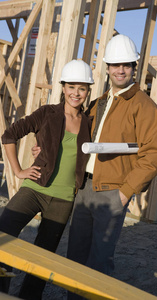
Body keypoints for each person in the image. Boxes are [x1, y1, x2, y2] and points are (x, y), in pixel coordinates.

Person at [66, 34, 157, 299]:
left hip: (112, 191)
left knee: (100, 260)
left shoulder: (144, 107)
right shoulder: (98, 102)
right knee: (75, 255)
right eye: (115, 64)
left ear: (134, 67)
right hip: (85, 187)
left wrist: (125, 192)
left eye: (126, 64)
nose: (120, 69)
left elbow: (154, 155)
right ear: (107, 68)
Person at [0, 59, 94, 299]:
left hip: (63, 199)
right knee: (4, 233)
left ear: (87, 91)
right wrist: (19, 171)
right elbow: (9, 135)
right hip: (34, 189)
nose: (76, 93)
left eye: (82, 88)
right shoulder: (47, 113)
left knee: (44, 257)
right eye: (71, 86)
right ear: (63, 88)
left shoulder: (90, 125)